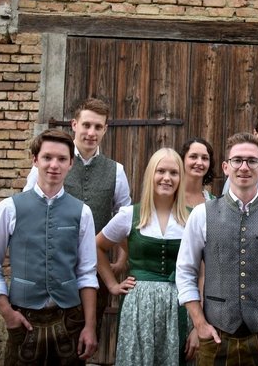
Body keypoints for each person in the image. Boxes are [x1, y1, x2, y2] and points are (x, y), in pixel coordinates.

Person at [176, 132, 258, 366]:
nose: (244, 167)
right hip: (215, 334)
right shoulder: (202, 214)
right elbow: (185, 272)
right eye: (237, 160)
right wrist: (199, 323)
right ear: (226, 167)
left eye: (252, 161)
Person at [23, 98, 131, 348]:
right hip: (50, 267)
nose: (91, 133)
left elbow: (124, 218)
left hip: (94, 271)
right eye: (86, 125)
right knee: (40, 341)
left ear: (105, 129)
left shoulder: (116, 170)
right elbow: (28, 208)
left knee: (83, 341)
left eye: (98, 127)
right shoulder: (51, 162)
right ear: (74, 125)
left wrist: (122, 259)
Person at [0, 128, 98, 364]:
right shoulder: (9, 208)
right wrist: (7, 313)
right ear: (35, 160)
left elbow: (87, 272)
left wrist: (90, 326)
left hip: (69, 320)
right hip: (23, 319)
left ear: (71, 163)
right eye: (47, 157)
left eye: (62, 159)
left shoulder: (82, 212)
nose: (54, 165)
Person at [96, 148, 193, 365]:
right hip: (138, 306)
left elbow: (202, 269)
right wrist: (112, 285)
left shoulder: (192, 218)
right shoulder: (129, 215)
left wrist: (198, 322)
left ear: (181, 178)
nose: (167, 178)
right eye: (161, 171)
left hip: (179, 304)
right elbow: (97, 246)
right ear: (151, 174)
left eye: (174, 173)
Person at [179, 137, 216, 210]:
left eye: (204, 158)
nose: (199, 163)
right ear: (182, 160)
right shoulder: (170, 198)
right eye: (193, 156)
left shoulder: (214, 204)